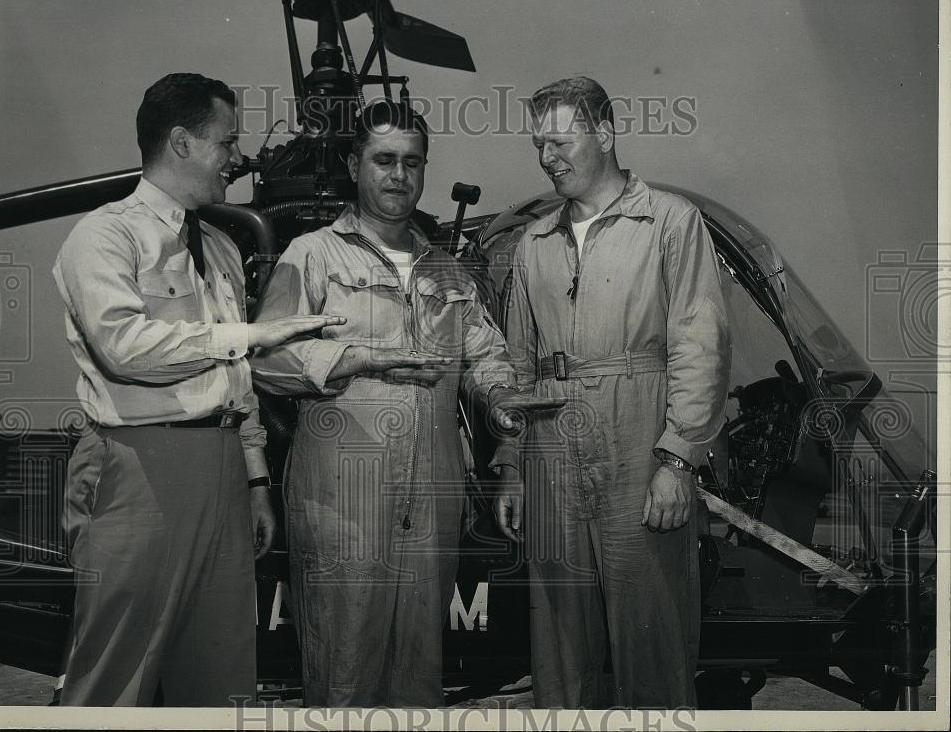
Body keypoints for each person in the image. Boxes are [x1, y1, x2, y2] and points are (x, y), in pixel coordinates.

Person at [249, 100, 562, 707]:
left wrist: (500, 400)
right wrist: (356, 359)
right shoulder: (312, 255)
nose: (398, 175)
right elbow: (265, 358)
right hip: (342, 501)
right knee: (343, 673)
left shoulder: (444, 269)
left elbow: (485, 355)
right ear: (353, 165)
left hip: (432, 504)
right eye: (383, 159)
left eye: (411, 163)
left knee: (419, 678)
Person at [53, 72, 344, 706]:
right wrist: (250, 335)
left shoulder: (215, 246)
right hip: (139, 468)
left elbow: (235, 388)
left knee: (220, 676)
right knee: (114, 674)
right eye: (228, 141)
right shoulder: (104, 237)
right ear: (182, 143)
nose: (237, 160)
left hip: (221, 474)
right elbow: (124, 350)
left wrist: (255, 482)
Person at [494, 77, 730, 708]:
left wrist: (678, 460)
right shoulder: (533, 243)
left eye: (560, 140)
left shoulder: (670, 222)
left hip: (640, 440)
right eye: (538, 144)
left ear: (605, 134)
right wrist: (513, 467)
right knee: (559, 641)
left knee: (651, 632)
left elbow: (699, 346)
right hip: (549, 449)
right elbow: (518, 366)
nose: (547, 157)